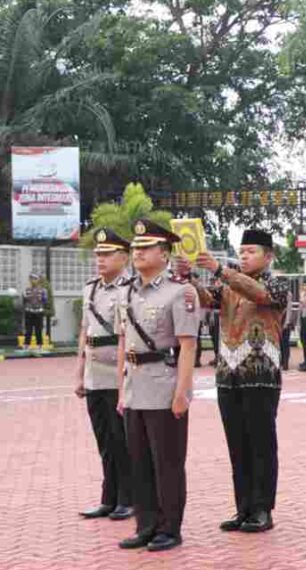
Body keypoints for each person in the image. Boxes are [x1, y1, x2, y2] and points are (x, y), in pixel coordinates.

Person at [184, 229, 289, 534]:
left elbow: (258, 294)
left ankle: (262, 509)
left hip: (261, 375)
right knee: (237, 445)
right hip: (228, 374)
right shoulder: (227, 282)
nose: (244, 256)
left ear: (268, 256)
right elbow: (207, 300)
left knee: (261, 444)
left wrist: (220, 270)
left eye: (251, 251)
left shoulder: (276, 282)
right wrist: (190, 276)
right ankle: (243, 507)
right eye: (241, 251)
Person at [116, 220, 200, 552]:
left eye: (145, 247)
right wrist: (122, 389)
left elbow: (188, 346)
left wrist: (183, 392)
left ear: (164, 253)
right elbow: (126, 341)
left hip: (164, 386)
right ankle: (146, 524)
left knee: (167, 463)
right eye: (136, 247)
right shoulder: (127, 290)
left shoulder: (181, 291)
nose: (137, 252)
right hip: (135, 387)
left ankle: (170, 528)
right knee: (139, 462)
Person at [75, 228, 133, 522]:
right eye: (98, 254)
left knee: (120, 437)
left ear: (124, 257)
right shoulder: (91, 288)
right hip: (94, 372)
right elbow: (85, 331)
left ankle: (128, 498)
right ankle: (108, 498)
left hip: (118, 372)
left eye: (107, 254)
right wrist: (78, 373)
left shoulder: (130, 287)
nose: (100, 259)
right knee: (103, 440)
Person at [21, 273, 48, 349]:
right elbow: (24, 301)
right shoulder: (26, 290)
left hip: (39, 312)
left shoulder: (43, 290)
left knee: (38, 330)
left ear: (38, 280)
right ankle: (26, 345)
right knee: (28, 330)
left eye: (35, 279)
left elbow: (45, 301)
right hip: (29, 312)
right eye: (31, 279)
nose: (33, 281)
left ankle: (39, 345)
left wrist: (41, 297)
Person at [280, 284, 298, 371]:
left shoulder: (288, 294)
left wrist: (286, 323)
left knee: (285, 343)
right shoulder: (275, 294)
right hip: (277, 322)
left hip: (285, 322)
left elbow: (289, 309)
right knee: (278, 344)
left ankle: (285, 363)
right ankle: (280, 361)